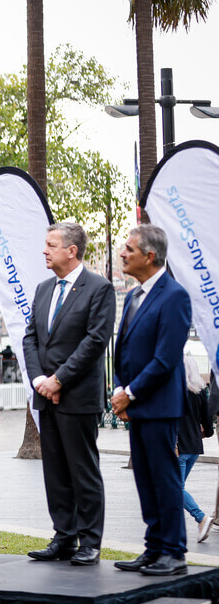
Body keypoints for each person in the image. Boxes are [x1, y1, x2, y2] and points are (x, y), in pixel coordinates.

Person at [22, 222, 116, 567]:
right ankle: (63, 537)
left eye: (51, 245)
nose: (44, 251)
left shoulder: (99, 288)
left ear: (72, 250)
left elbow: (95, 341)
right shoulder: (43, 288)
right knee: (55, 472)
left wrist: (58, 380)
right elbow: (31, 338)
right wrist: (39, 380)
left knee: (82, 471)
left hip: (78, 397)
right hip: (45, 395)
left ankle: (89, 542)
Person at [111, 224, 192, 576]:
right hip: (135, 405)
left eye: (129, 249)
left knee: (165, 480)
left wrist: (129, 394)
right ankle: (154, 548)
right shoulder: (133, 296)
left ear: (150, 255)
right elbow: (123, 352)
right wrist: (119, 389)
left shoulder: (175, 296)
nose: (122, 253)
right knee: (145, 480)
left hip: (159, 407)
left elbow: (165, 359)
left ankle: (173, 553)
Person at [180, 355, 213, 542]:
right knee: (175, 487)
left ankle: (201, 518)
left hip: (178, 446)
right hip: (194, 445)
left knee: (174, 488)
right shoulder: (199, 391)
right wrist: (207, 432)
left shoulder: (176, 391)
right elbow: (207, 418)